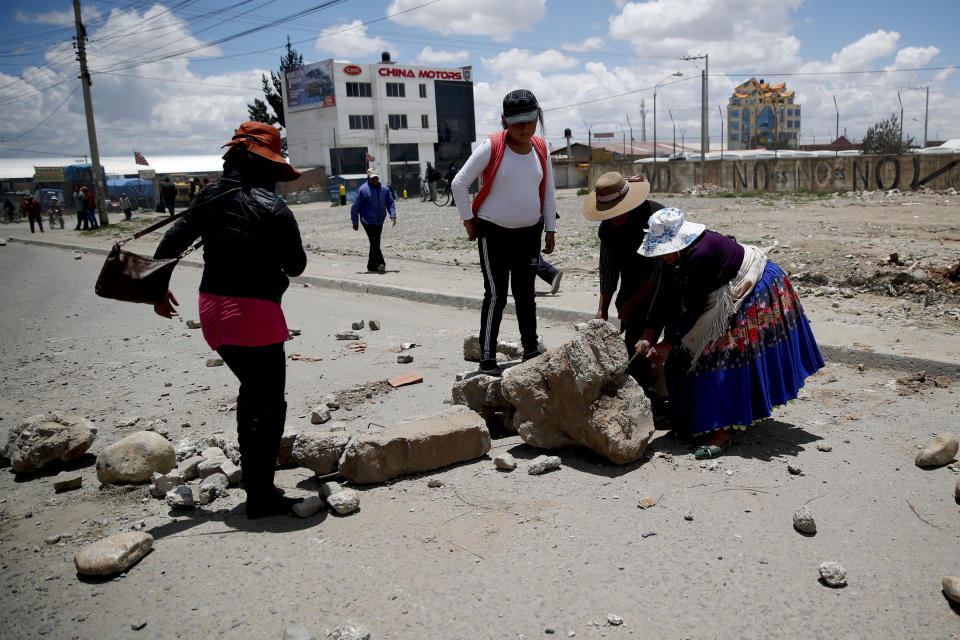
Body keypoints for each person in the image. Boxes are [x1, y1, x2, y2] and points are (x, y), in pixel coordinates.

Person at [152, 121, 306, 519]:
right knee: (267, 404)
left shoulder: (208, 197)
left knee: (253, 394)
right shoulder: (273, 207)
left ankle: (257, 485)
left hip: (212, 311)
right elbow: (296, 265)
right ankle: (260, 495)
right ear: (264, 166)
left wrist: (156, 289)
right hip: (252, 314)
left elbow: (172, 240)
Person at [635, 207, 824, 458]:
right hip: (716, 294)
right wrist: (648, 333)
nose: (664, 256)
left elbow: (697, 309)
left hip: (749, 285)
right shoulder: (672, 257)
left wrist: (668, 343)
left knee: (718, 354)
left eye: (665, 250)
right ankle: (693, 421)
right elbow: (664, 291)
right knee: (690, 349)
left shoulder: (699, 255)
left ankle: (720, 432)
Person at [451, 88, 556, 375]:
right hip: (494, 233)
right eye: (517, 121)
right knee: (496, 294)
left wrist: (550, 228)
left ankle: (531, 351)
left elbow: (547, 191)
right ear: (504, 121)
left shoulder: (541, 148)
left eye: (531, 120)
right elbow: (459, 184)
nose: (525, 127)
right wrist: (468, 221)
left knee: (525, 294)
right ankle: (487, 359)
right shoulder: (492, 146)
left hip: (530, 233)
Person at [583, 171, 667, 415]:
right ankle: (640, 398)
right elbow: (608, 267)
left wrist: (636, 300)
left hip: (667, 283)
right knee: (634, 345)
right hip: (632, 283)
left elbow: (659, 269)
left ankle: (665, 398)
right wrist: (602, 309)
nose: (613, 217)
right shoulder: (608, 229)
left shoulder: (654, 217)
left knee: (668, 342)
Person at [350, 168, 396, 273]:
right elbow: (355, 207)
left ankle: (371, 265)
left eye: (376, 178)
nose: (375, 180)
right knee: (374, 241)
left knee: (375, 243)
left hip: (379, 220)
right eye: (372, 178)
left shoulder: (384, 190)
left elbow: (390, 203)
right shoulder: (362, 190)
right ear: (368, 178)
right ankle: (381, 263)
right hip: (367, 221)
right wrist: (355, 222)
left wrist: (392, 215)